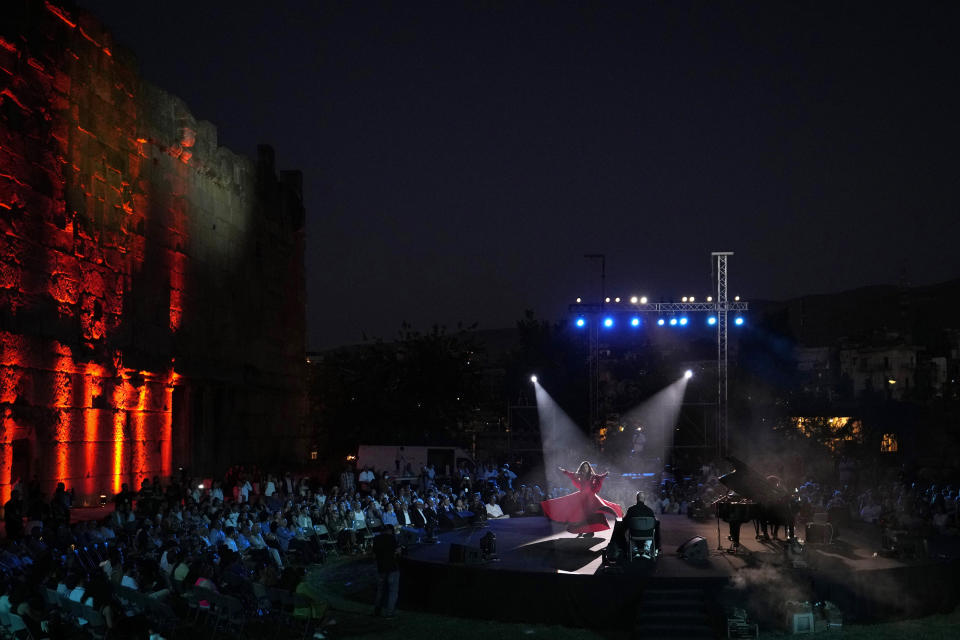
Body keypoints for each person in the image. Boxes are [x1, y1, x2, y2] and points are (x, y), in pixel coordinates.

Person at [541, 461, 623, 537]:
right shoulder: (579, 474)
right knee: (583, 515)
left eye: (587, 467)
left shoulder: (593, 476)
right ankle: (585, 532)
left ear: (589, 468)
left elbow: (600, 477)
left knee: (602, 506)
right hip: (582, 496)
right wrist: (563, 471)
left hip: (591, 496)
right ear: (582, 468)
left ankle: (616, 516)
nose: (586, 468)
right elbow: (570, 474)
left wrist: (606, 474)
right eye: (584, 467)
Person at [372, 524, 401, 618]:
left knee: (380, 590)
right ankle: (389, 613)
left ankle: (377, 610)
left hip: (381, 568)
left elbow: (374, 554)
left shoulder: (376, 539)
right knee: (392, 591)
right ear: (391, 531)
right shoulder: (393, 538)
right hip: (392, 567)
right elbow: (398, 552)